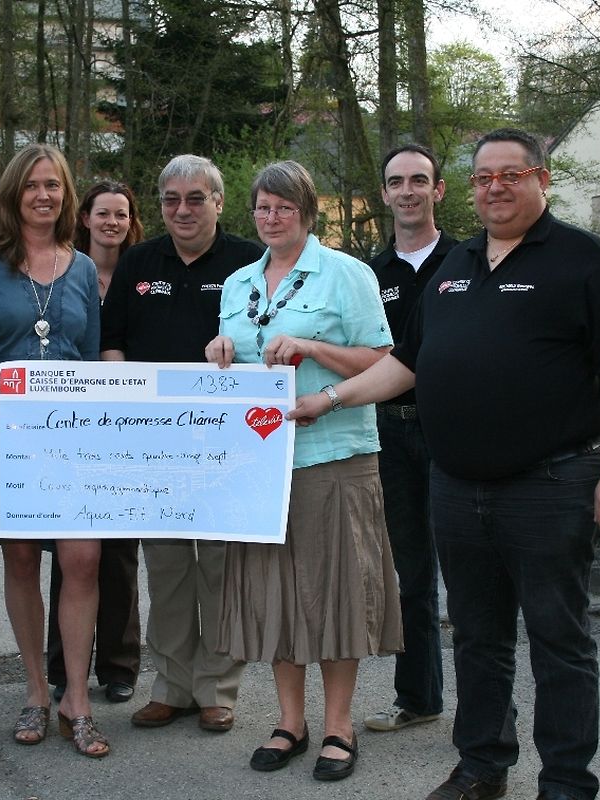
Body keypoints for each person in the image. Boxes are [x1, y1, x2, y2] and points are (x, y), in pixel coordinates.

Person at [289, 128, 600, 800]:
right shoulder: (456, 264)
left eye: (511, 175)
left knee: (558, 640)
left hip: (549, 483)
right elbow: (407, 363)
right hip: (458, 487)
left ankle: (566, 783)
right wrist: (329, 399)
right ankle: (482, 767)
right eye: (484, 177)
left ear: (541, 179)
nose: (496, 188)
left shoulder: (583, 259)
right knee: (478, 639)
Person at [204, 160, 403, 782]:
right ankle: (290, 721)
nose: (271, 217)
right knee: (275, 593)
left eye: (284, 207)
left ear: (308, 213)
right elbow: (233, 371)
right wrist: (218, 352)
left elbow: (383, 361)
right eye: (263, 207)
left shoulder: (347, 274)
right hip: (259, 463)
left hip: (333, 457)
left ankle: (340, 726)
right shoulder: (237, 283)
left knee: (338, 591)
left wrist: (313, 349)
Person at [0, 144, 108, 757]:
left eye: (55, 185)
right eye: (34, 185)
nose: (44, 195)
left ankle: (77, 699)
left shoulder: (83, 268)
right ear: (14, 193)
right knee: (19, 559)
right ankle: (37, 692)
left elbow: (90, 358)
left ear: (67, 195)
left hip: (73, 440)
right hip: (6, 437)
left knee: (82, 560)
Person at [100, 154, 262, 733]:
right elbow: (112, 341)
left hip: (227, 442)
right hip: (155, 444)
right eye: (171, 199)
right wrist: (125, 398)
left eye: (196, 198)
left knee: (221, 567)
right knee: (167, 568)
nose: (183, 210)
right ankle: (171, 685)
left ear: (219, 201)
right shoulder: (138, 262)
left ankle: (216, 689)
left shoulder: (250, 261)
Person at [363, 144, 457, 734]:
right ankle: (418, 698)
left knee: (473, 576)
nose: (408, 191)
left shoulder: (469, 262)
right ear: (385, 194)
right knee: (412, 575)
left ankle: (488, 712)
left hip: (454, 431)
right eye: (396, 182)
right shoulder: (369, 275)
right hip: (390, 434)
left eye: (419, 180)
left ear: (437, 190)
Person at [45, 180, 146, 705]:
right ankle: (64, 666)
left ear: (131, 221)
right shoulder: (65, 270)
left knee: (120, 550)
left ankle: (119, 665)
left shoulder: (139, 273)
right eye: (102, 213)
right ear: (84, 218)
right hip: (69, 423)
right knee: (72, 552)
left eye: (121, 214)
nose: (112, 222)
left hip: (129, 425)